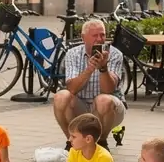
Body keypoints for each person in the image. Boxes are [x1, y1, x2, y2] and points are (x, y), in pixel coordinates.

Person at [52, 18, 126, 147]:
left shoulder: (114, 54)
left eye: (102, 34)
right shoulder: (73, 54)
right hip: (81, 106)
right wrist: (90, 69)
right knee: (61, 96)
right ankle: (72, 142)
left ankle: (101, 142)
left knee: (103, 100)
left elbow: (108, 90)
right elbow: (72, 89)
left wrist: (103, 68)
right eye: (94, 35)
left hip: (110, 109)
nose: (99, 39)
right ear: (83, 37)